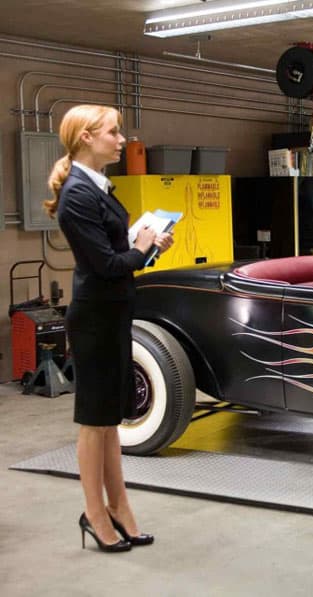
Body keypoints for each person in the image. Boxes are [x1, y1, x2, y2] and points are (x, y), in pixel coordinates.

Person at [44, 104, 174, 551]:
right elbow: (105, 264)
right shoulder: (77, 195)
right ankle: (95, 513)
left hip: (114, 310)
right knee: (94, 423)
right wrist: (141, 248)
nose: (122, 140)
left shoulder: (98, 187)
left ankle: (119, 507)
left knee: (110, 421)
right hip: (95, 317)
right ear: (85, 138)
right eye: (113, 133)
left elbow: (120, 255)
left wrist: (149, 245)